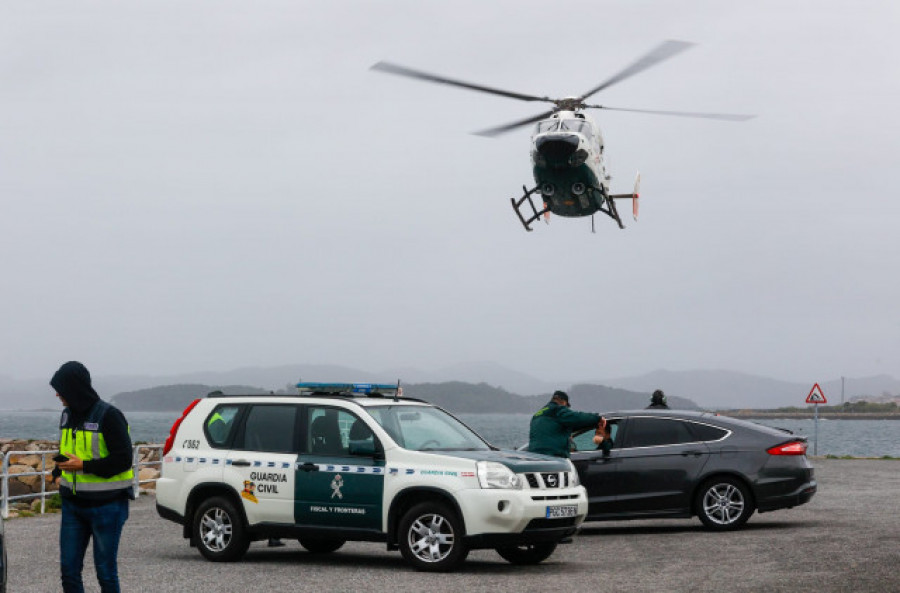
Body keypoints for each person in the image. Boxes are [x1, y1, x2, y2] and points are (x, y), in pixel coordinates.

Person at [50, 361, 134, 593]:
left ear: (75, 387)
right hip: (73, 506)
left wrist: (84, 466)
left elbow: (123, 460)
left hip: (108, 506)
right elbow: (68, 451)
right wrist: (57, 471)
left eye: (61, 388)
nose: (57, 394)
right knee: (69, 572)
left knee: (105, 574)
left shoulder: (110, 415)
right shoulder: (67, 415)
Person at [528, 390, 604, 458]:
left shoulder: (537, 415)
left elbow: (555, 428)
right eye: (567, 406)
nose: (567, 409)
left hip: (534, 456)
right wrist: (597, 418)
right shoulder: (557, 409)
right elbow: (576, 417)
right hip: (552, 456)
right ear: (563, 402)